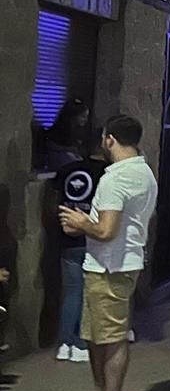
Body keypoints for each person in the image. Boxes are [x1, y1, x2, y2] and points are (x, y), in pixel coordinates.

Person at [56, 114, 158, 391]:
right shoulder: (143, 172)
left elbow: (106, 230)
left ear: (109, 139)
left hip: (110, 267)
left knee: (111, 337)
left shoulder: (116, 178)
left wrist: (80, 222)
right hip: (116, 263)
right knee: (95, 335)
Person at [52, 144, 106, 363]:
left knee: (72, 292)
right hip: (92, 238)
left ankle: (65, 343)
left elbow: (52, 202)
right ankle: (81, 343)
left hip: (67, 239)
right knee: (89, 294)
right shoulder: (107, 173)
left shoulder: (68, 169)